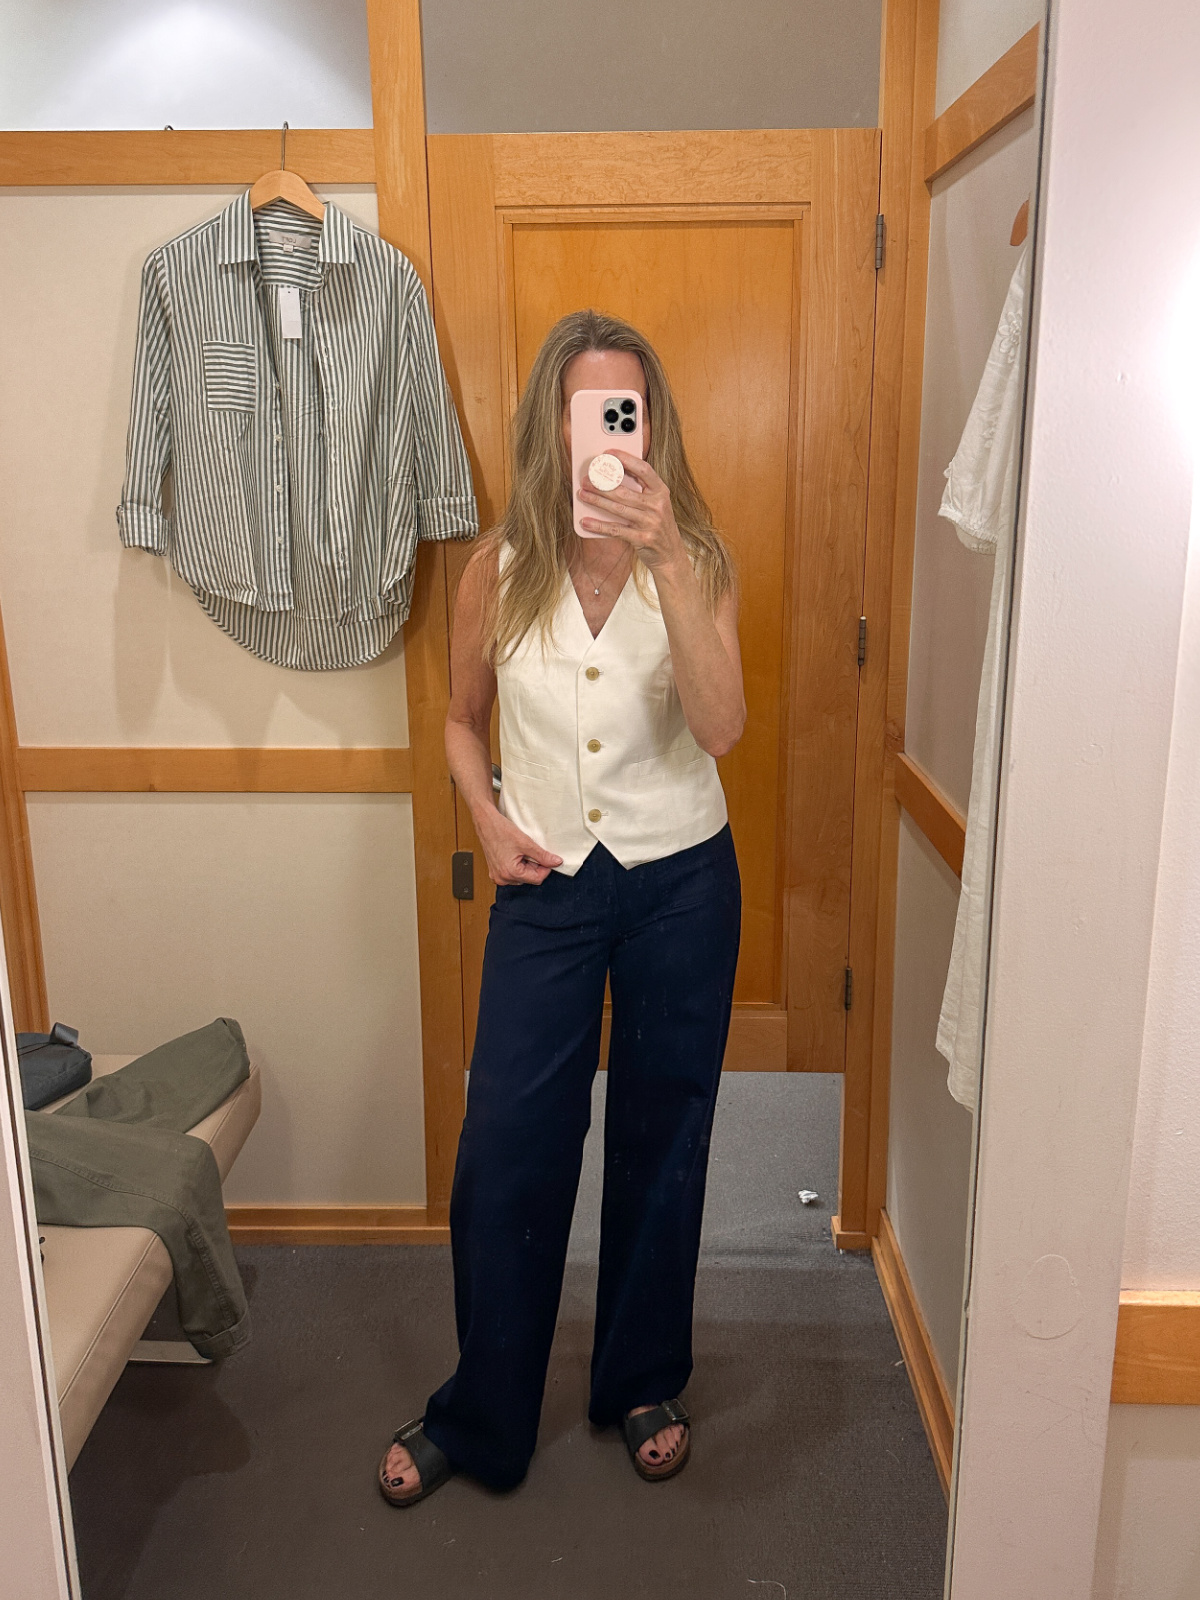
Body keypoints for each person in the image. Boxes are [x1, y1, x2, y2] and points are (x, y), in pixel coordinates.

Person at [378, 308, 745, 1505]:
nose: (610, 437)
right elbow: (457, 719)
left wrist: (673, 565)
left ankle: (640, 1378)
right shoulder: (497, 566)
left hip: (682, 884)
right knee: (508, 1151)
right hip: (543, 883)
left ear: (652, 425)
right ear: (554, 421)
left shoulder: (695, 553)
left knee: (663, 1132)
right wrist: (485, 821)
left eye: (628, 413)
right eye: (590, 411)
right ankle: (484, 1412)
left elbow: (724, 727)